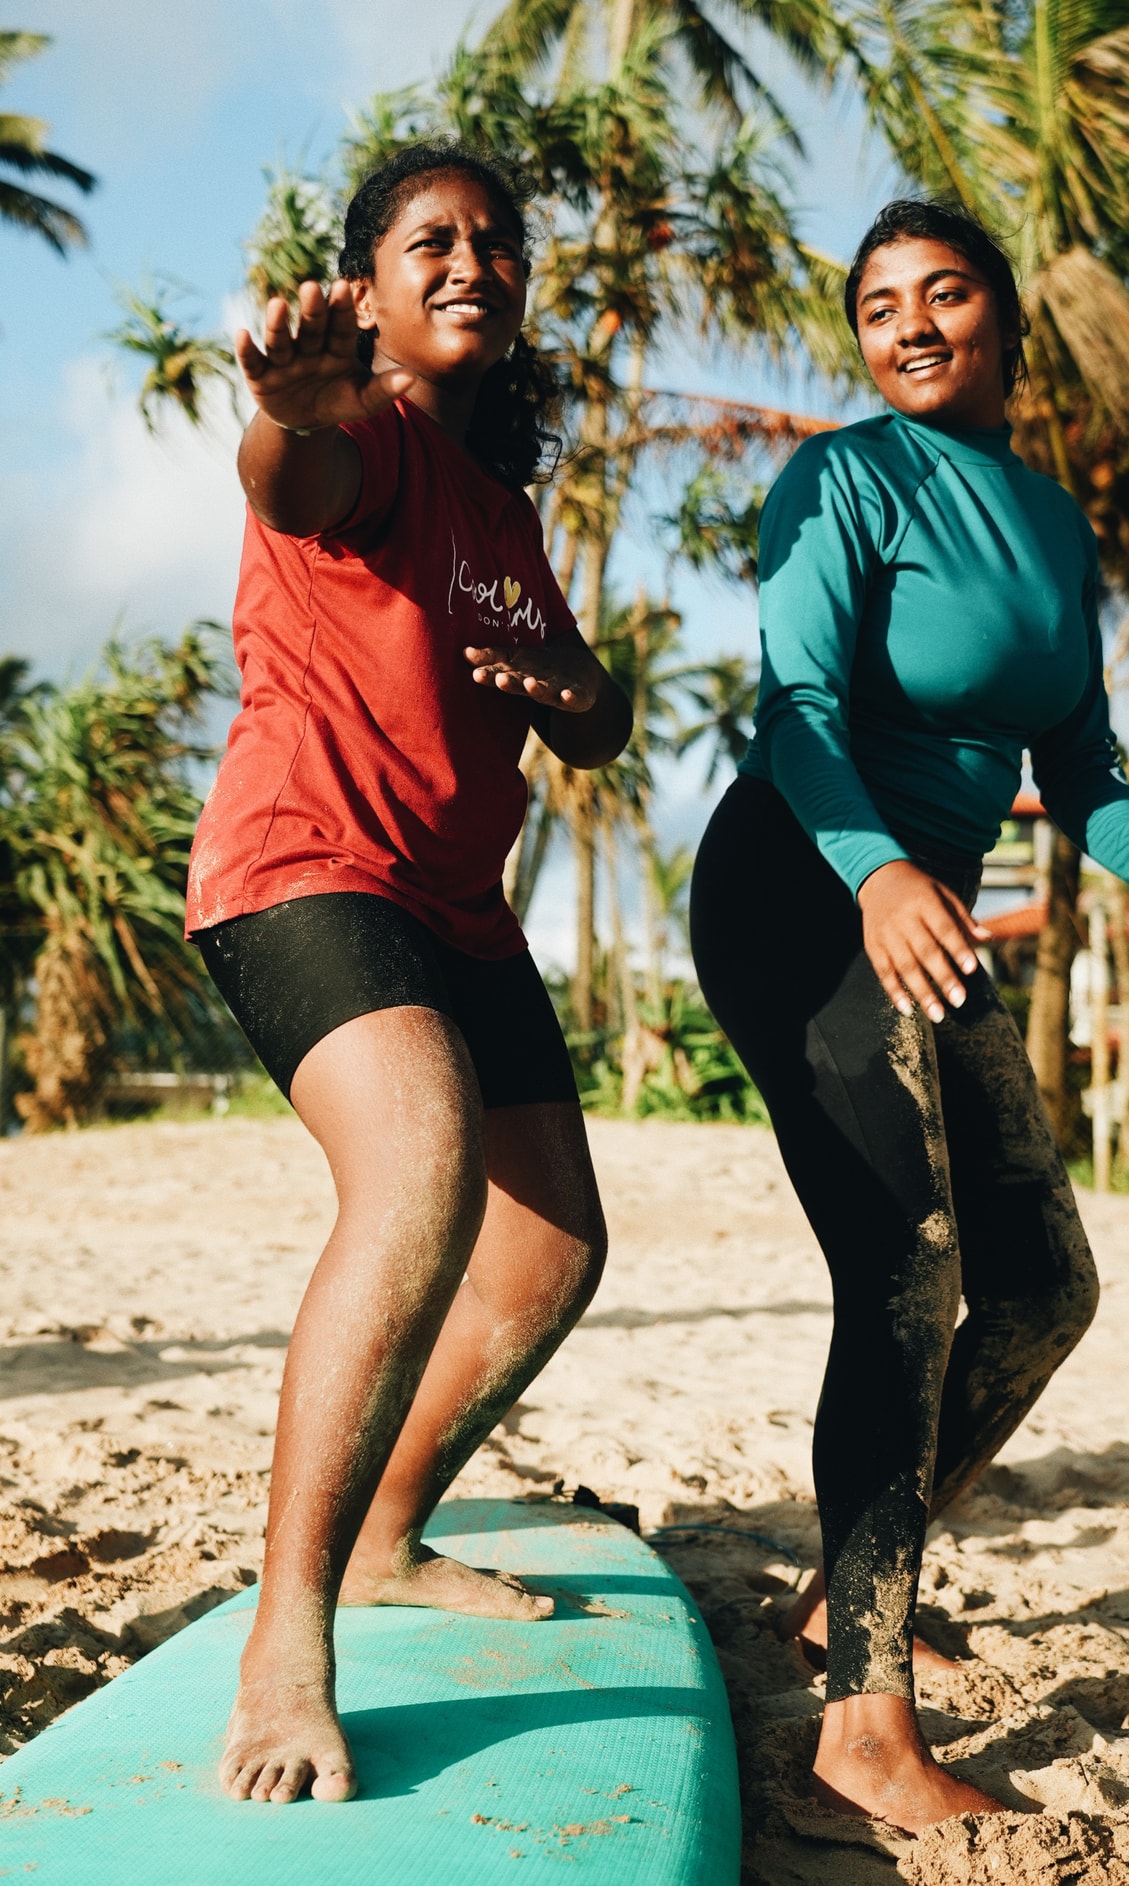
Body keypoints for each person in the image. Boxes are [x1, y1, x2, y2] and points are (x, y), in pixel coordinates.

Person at [689, 198, 1129, 1835]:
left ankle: (841, 1593)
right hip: (805, 881)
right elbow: (795, 712)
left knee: (1046, 1283)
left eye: (943, 293)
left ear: (1003, 317)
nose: (912, 324)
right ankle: (863, 1726)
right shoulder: (843, 481)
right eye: (879, 305)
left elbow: (1075, 749)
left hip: (917, 904)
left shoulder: (1051, 523)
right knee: (908, 1263)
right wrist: (872, 870)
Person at [186, 138, 632, 1807]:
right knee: (422, 1165)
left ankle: (384, 1533)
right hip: (307, 865)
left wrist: (579, 683)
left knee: (553, 1249)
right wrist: (291, 410)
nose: (472, 260)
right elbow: (289, 480)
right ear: (365, 290)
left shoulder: (502, 513)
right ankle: (286, 1637)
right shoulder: (361, 434)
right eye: (430, 240)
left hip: (456, 907)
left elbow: (587, 715)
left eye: (497, 241)